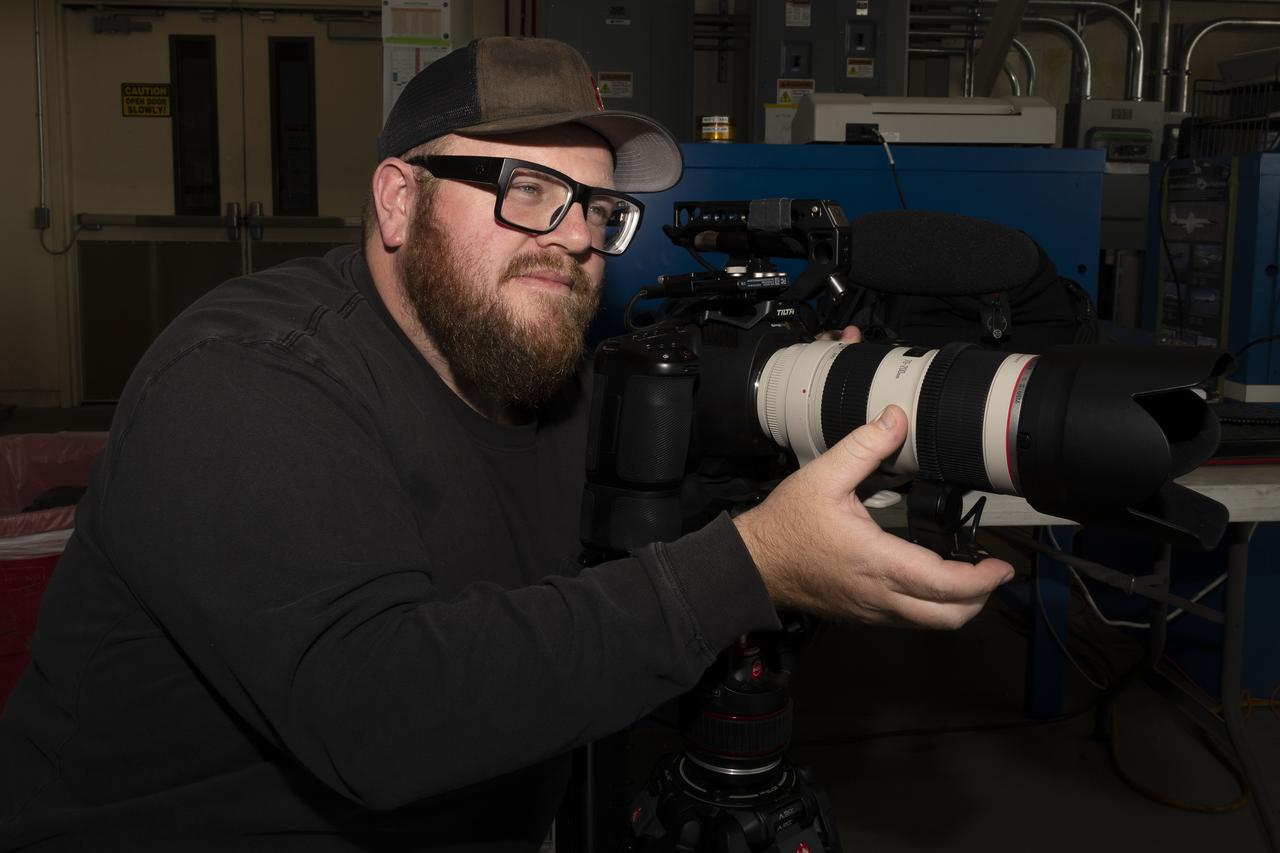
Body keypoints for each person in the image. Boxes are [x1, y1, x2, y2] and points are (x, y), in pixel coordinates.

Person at [0, 36, 1013, 851]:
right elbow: (376, 714)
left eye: (599, 207)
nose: (573, 237)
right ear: (398, 199)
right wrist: (749, 564)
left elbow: (618, 549)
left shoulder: (532, 365)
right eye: (525, 188)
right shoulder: (245, 382)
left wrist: (788, 417)